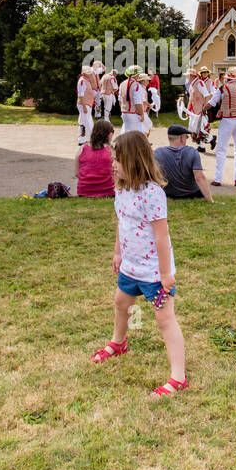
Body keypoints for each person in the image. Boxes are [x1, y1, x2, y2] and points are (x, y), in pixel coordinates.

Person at [90, 130, 188, 399]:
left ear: (133, 161)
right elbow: (123, 224)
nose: (113, 164)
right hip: (130, 268)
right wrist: (117, 253)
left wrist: (166, 274)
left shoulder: (153, 194)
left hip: (154, 274)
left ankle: (178, 377)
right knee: (121, 303)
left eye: (117, 160)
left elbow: (161, 236)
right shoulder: (121, 189)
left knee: (165, 319)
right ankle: (118, 343)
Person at [155, 124, 214, 201]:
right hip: (191, 193)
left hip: (168, 193)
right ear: (182, 138)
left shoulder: (158, 152)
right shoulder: (192, 152)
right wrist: (210, 200)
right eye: (186, 137)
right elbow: (199, 177)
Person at [76, 118, 116, 197]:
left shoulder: (82, 148)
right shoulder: (111, 150)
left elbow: (76, 173)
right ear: (108, 134)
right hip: (107, 190)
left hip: (84, 191)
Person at [118, 64, 148, 133]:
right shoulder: (136, 85)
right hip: (133, 113)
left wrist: (123, 110)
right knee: (137, 135)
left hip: (124, 112)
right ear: (137, 75)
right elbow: (138, 102)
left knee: (125, 133)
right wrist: (141, 114)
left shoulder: (122, 84)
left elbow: (120, 100)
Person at [76, 65, 99, 143]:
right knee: (86, 122)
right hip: (84, 104)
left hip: (86, 104)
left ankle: (84, 138)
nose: (90, 74)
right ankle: (88, 138)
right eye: (88, 73)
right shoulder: (82, 81)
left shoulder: (86, 80)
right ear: (84, 73)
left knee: (84, 121)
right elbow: (81, 94)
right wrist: (84, 106)